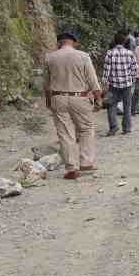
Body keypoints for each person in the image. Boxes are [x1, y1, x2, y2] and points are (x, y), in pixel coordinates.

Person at [44, 33, 102, 180]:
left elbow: (46, 83)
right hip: (79, 97)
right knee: (86, 129)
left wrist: (48, 101)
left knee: (65, 133)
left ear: (59, 43)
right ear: (74, 43)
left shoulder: (50, 57)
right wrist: (98, 98)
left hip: (58, 97)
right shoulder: (83, 56)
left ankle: (71, 168)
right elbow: (92, 79)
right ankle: (86, 162)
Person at [102, 32, 138, 136]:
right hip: (127, 84)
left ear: (114, 40)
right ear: (125, 41)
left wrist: (104, 83)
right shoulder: (129, 53)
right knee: (127, 106)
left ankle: (113, 127)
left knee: (111, 105)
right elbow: (134, 69)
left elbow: (106, 70)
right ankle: (126, 128)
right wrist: (132, 80)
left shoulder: (110, 53)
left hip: (113, 85)